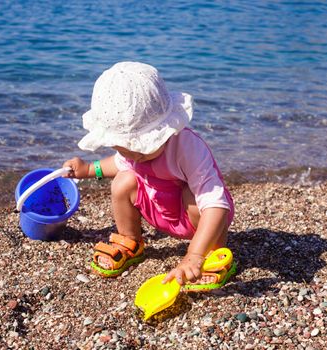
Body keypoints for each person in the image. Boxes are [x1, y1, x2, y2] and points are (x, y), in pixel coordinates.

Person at [63, 61, 235, 289]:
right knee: (124, 180)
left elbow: (216, 205)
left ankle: (214, 253)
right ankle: (130, 241)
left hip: (199, 218)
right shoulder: (131, 154)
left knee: (194, 196)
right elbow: (118, 163)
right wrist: (87, 170)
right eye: (125, 147)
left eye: (141, 148)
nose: (134, 155)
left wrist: (194, 255)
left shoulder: (188, 148)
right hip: (159, 209)